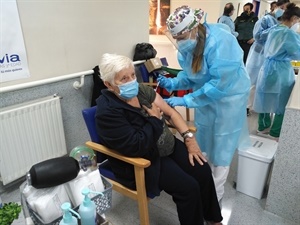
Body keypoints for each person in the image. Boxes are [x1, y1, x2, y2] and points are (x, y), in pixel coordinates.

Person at [95, 53, 223, 225]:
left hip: (165, 144)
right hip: (146, 158)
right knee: (188, 188)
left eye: (133, 75)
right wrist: (154, 120)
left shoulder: (141, 91)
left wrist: (189, 139)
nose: (132, 81)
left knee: (202, 169)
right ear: (108, 84)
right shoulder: (107, 112)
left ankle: (213, 219)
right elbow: (136, 146)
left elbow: (170, 112)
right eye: (124, 79)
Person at [158, 5, 250, 202]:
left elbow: (220, 83)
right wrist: (174, 83)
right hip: (206, 99)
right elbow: (193, 76)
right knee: (206, 138)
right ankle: (204, 182)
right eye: (176, 38)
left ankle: (214, 200)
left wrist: (186, 99)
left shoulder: (220, 41)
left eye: (181, 37)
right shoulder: (190, 46)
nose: (178, 43)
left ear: (193, 29)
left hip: (229, 98)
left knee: (222, 147)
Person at [253, 3, 300, 140]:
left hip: (266, 68)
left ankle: (262, 127)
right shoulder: (289, 34)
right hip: (281, 71)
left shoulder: (273, 29)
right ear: (294, 18)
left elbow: (259, 40)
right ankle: (275, 132)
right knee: (282, 101)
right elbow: (297, 53)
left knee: (264, 98)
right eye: (298, 20)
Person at [245, 2, 281, 115]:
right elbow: (258, 36)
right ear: (276, 7)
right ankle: (246, 106)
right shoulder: (265, 19)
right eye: (283, 8)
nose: (284, 11)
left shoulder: (281, 22)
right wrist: (275, 28)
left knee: (263, 82)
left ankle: (257, 107)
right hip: (258, 53)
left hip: (270, 54)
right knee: (252, 81)